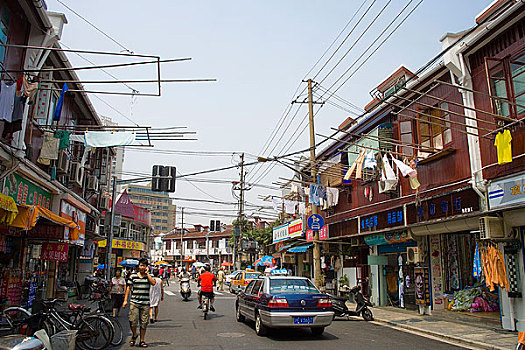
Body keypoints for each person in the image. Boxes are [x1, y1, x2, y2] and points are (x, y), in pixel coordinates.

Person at [123, 258, 156, 348]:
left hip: (145, 303)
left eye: (144, 266)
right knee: (132, 321)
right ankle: (134, 335)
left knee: (144, 323)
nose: (142, 267)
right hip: (134, 302)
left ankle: (142, 340)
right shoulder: (133, 276)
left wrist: (148, 273)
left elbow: (153, 283)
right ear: (138, 266)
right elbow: (128, 288)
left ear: (146, 267)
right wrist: (125, 300)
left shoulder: (149, 276)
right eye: (141, 265)